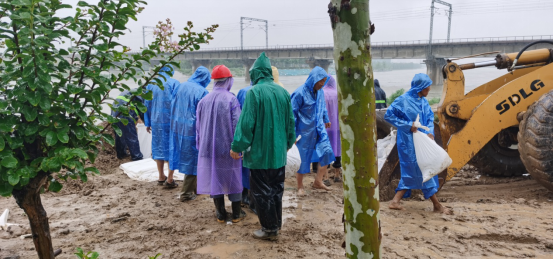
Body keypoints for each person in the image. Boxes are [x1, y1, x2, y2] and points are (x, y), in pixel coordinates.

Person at [230, 53, 296, 240]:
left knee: (261, 191)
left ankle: (269, 229)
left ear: (256, 73)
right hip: (278, 154)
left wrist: (237, 147)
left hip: (259, 154)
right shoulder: (283, 92)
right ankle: (276, 223)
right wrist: (288, 142)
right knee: (276, 189)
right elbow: (291, 122)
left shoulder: (253, 92)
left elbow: (246, 124)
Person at [384, 73, 452, 214]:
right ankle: (437, 205)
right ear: (419, 87)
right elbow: (389, 115)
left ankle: (396, 201)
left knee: (417, 170)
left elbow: (428, 119)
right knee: (420, 170)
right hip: (407, 143)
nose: (428, 91)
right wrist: (408, 125)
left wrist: (430, 132)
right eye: (427, 88)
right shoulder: (402, 100)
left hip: (422, 141)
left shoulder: (424, 102)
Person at [196, 65, 247, 223]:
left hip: (209, 147)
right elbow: (238, 124)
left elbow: (198, 127)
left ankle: (220, 213)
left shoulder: (203, 101)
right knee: (233, 176)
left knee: (215, 177)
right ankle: (237, 214)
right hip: (228, 148)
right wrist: (238, 146)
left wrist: (200, 146)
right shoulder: (231, 99)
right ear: (228, 80)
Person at [236, 65, 284, 212]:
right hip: (267, 140)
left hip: (250, 138)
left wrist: (238, 144)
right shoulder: (278, 92)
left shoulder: (244, 91)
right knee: (264, 176)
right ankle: (255, 203)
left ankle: (245, 196)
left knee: (247, 169)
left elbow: (240, 119)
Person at [291, 66, 335, 195]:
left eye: (324, 81)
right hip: (303, 130)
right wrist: (292, 133)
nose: (322, 84)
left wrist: (326, 118)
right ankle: (300, 186)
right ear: (313, 80)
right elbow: (291, 114)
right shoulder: (299, 93)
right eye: (320, 81)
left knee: (327, 152)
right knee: (303, 159)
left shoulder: (320, 91)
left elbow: (322, 106)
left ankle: (318, 181)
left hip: (319, 128)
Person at [169, 66, 211, 200]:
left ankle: (196, 188)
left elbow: (173, 104)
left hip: (177, 126)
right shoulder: (202, 92)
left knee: (185, 156)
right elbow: (204, 115)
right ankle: (186, 193)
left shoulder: (180, 86)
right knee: (194, 159)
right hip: (192, 130)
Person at [144, 65, 180, 188]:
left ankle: (160, 176)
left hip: (156, 121)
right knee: (172, 147)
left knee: (158, 147)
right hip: (171, 122)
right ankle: (170, 179)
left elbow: (146, 104)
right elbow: (178, 103)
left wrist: (147, 122)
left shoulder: (151, 84)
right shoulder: (174, 83)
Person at [112, 89, 145, 161]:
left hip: (115, 108)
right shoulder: (144, 95)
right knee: (131, 135)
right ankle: (137, 157)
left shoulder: (134, 91)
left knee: (119, 133)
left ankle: (121, 154)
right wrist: (147, 123)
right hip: (126, 111)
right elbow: (143, 111)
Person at [322, 76, 342, 183]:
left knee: (325, 150)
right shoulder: (338, 94)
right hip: (337, 127)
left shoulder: (321, 93)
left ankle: (325, 177)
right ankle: (337, 175)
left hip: (325, 127)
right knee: (337, 150)